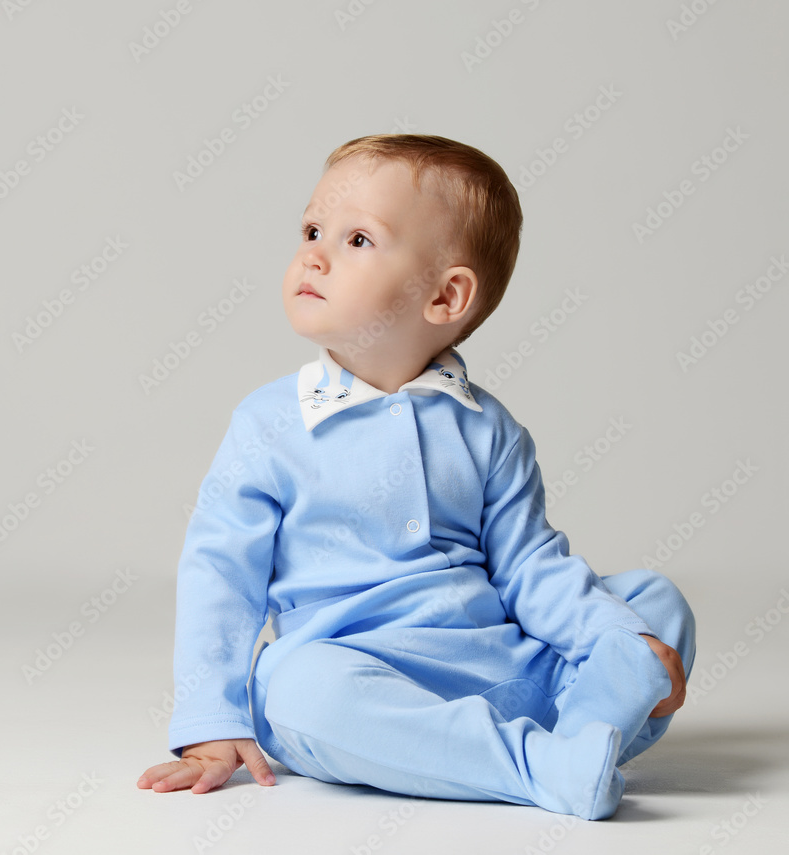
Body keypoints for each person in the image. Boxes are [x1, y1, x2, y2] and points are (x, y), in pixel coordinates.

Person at [136, 134, 695, 820]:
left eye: (357, 240)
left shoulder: (488, 428)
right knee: (292, 689)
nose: (313, 253)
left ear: (445, 295)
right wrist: (209, 718)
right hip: (360, 674)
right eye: (313, 230)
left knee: (650, 605)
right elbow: (220, 576)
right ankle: (539, 764)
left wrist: (616, 635)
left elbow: (530, 567)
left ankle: (573, 736)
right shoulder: (270, 425)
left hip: (498, 662)